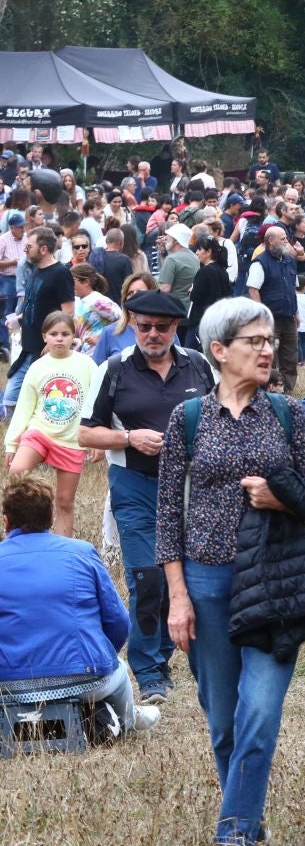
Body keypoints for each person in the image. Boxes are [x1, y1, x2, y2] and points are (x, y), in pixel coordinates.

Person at [156, 297, 305, 846]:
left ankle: (233, 833)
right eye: (253, 341)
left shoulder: (288, 414)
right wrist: (177, 597)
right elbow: (167, 516)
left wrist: (279, 498)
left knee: (259, 710)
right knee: (224, 721)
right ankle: (249, 821)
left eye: (269, 340)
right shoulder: (187, 419)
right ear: (219, 351)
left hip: (273, 578)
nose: (267, 348)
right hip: (205, 582)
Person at [76, 288, 215, 704]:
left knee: (195, 577)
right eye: (144, 326)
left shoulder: (200, 366)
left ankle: (179, 653)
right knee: (146, 576)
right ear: (133, 326)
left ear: (176, 328)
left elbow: (227, 414)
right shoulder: (114, 368)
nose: (152, 334)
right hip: (134, 484)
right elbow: (85, 432)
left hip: (192, 487)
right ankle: (149, 671)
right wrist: (128, 437)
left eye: (162, 327)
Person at [0, 477, 159, 742]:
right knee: (118, 670)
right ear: (51, 516)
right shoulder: (81, 552)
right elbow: (119, 622)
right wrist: (98, 656)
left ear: (6, 520)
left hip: (9, 685)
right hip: (86, 679)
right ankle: (127, 720)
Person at [5, 312, 99, 538]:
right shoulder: (38, 367)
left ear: (74, 337)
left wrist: (97, 437)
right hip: (40, 433)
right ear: (44, 337)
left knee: (65, 502)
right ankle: (17, 529)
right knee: (17, 473)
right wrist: (11, 443)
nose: (59, 339)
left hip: (71, 441)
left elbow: (98, 402)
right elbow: (25, 407)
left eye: (65, 334)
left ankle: (61, 549)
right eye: (54, 334)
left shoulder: (86, 365)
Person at [4, 227, 74, 423]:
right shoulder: (35, 270)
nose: (25, 250)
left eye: (28, 246)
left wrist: (53, 342)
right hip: (28, 346)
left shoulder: (61, 273)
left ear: (43, 249)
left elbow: (68, 312)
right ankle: (17, 434)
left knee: (41, 398)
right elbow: (33, 303)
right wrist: (18, 320)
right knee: (10, 399)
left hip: (44, 349)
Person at [243, 225, 303, 392]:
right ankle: (269, 390)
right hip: (271, 318)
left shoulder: (289, 260)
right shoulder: (260, 262)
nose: (286, 241)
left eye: (286, 238)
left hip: (288, 316)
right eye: (283, 238)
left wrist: (296, 313)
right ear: (270, 241)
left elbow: (293, 288)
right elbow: (253, 290)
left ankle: (288, 390)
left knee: (290, 356)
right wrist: (263, 316)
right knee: (270, 356)